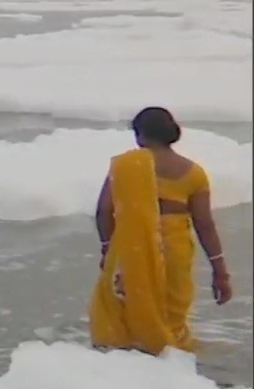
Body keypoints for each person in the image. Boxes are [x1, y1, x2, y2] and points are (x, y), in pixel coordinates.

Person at [90, 107, 234, 355]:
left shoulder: (126, 166)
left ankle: (123, 367)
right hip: (174, 252)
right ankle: (172, 364)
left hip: (129, 252)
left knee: (122, 311)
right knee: (171, 314)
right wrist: (220, 271)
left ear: (140, 134)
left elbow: (104, 212)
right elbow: (204, 224)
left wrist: (107, 249)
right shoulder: (194, 173)